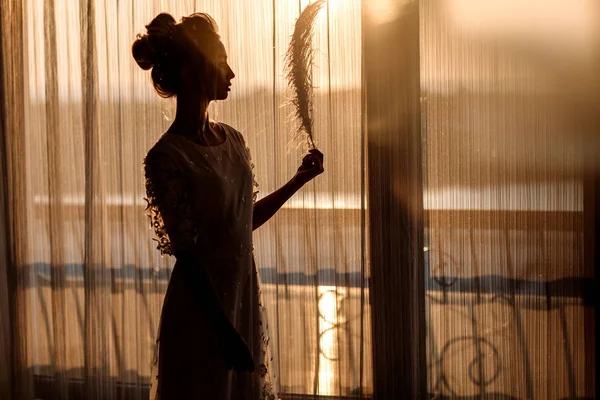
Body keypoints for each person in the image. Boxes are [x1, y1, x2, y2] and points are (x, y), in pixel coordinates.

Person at [132, 12, 324, 400]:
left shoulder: (234, 140)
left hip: (241, 300)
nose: (232, 73)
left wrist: (299, 180)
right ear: (190, 69)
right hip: (203, 311)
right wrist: (223, 331)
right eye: (221, 63)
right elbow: (187, 254)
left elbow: (243, 221)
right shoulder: (166, 156)